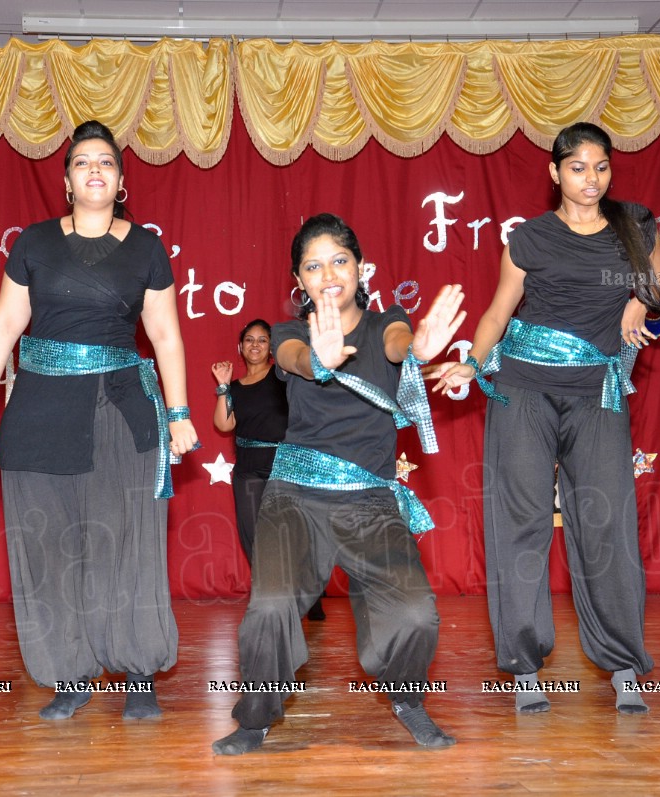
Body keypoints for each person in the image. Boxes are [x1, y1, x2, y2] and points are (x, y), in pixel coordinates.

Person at [0, 120, 198, 720]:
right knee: (48, 544)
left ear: (120, 181)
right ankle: (70, 673)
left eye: (107, 163)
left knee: (129, 543)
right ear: (66, 180)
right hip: (40, 412)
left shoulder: (145, 247)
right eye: (83, 162)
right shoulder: (34, 243)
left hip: (122, 411)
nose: (95, 170)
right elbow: (5, 325)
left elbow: (166, 334)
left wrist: (179, 413)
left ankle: (138, 672)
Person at [433, 122, 660, 714]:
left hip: (597, 393)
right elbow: (495, 314)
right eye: (579, 168)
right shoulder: (529, 239)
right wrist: (470, 364)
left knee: (606, 523)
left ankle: (622, 664)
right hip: (523, 389)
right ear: (555, 173)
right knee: (522, 524)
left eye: (602, 167)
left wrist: (642, 296)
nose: (592, 179)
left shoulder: (635, 224)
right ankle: (523, 666)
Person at [212, 213, 465, 755]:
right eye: (313, 265)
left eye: (339, 260)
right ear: (299, 282)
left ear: (361, 268)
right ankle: (255, 718)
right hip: (295, 498)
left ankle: (408, 699)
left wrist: (417, 349)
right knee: (271, 606)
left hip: (371, 501)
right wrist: (317, 360)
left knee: (416, 612)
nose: (328, 273)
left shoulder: (386, 322)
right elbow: (292, 359)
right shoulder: (288, 335)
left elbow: (398, 344)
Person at [212, 322, 326, 621]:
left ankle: (307, 591)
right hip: (248, 468)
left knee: (290, 534)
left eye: (263, 340)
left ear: (272, 347)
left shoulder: (282, 379)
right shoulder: (234, 388)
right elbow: (224, 425)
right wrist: (223, 385)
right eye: (249, 340)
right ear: (240, 347)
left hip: (283, 465)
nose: (255, 345)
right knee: (252, 534)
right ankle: (273, 594)